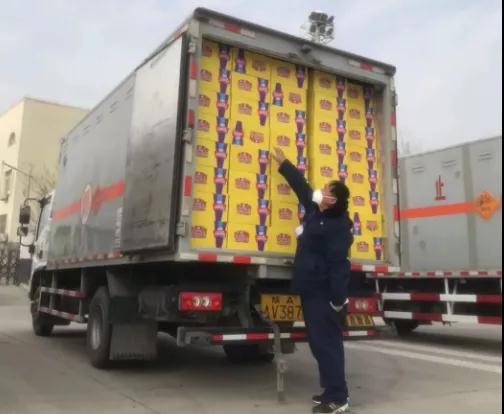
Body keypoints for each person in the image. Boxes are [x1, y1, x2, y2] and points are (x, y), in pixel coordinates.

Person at [271, 147, 354, 414]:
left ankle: (339, 398)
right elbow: (302, 188)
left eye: (326, 188)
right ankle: (330, 390)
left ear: (332, 199)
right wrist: (284, 163)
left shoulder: (338, 226)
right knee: (318, 344)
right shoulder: (316, 212)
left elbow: (339, 266)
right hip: (309, 290)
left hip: (324, 294)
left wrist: (338, 301)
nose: (320, 189)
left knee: (327, 345)